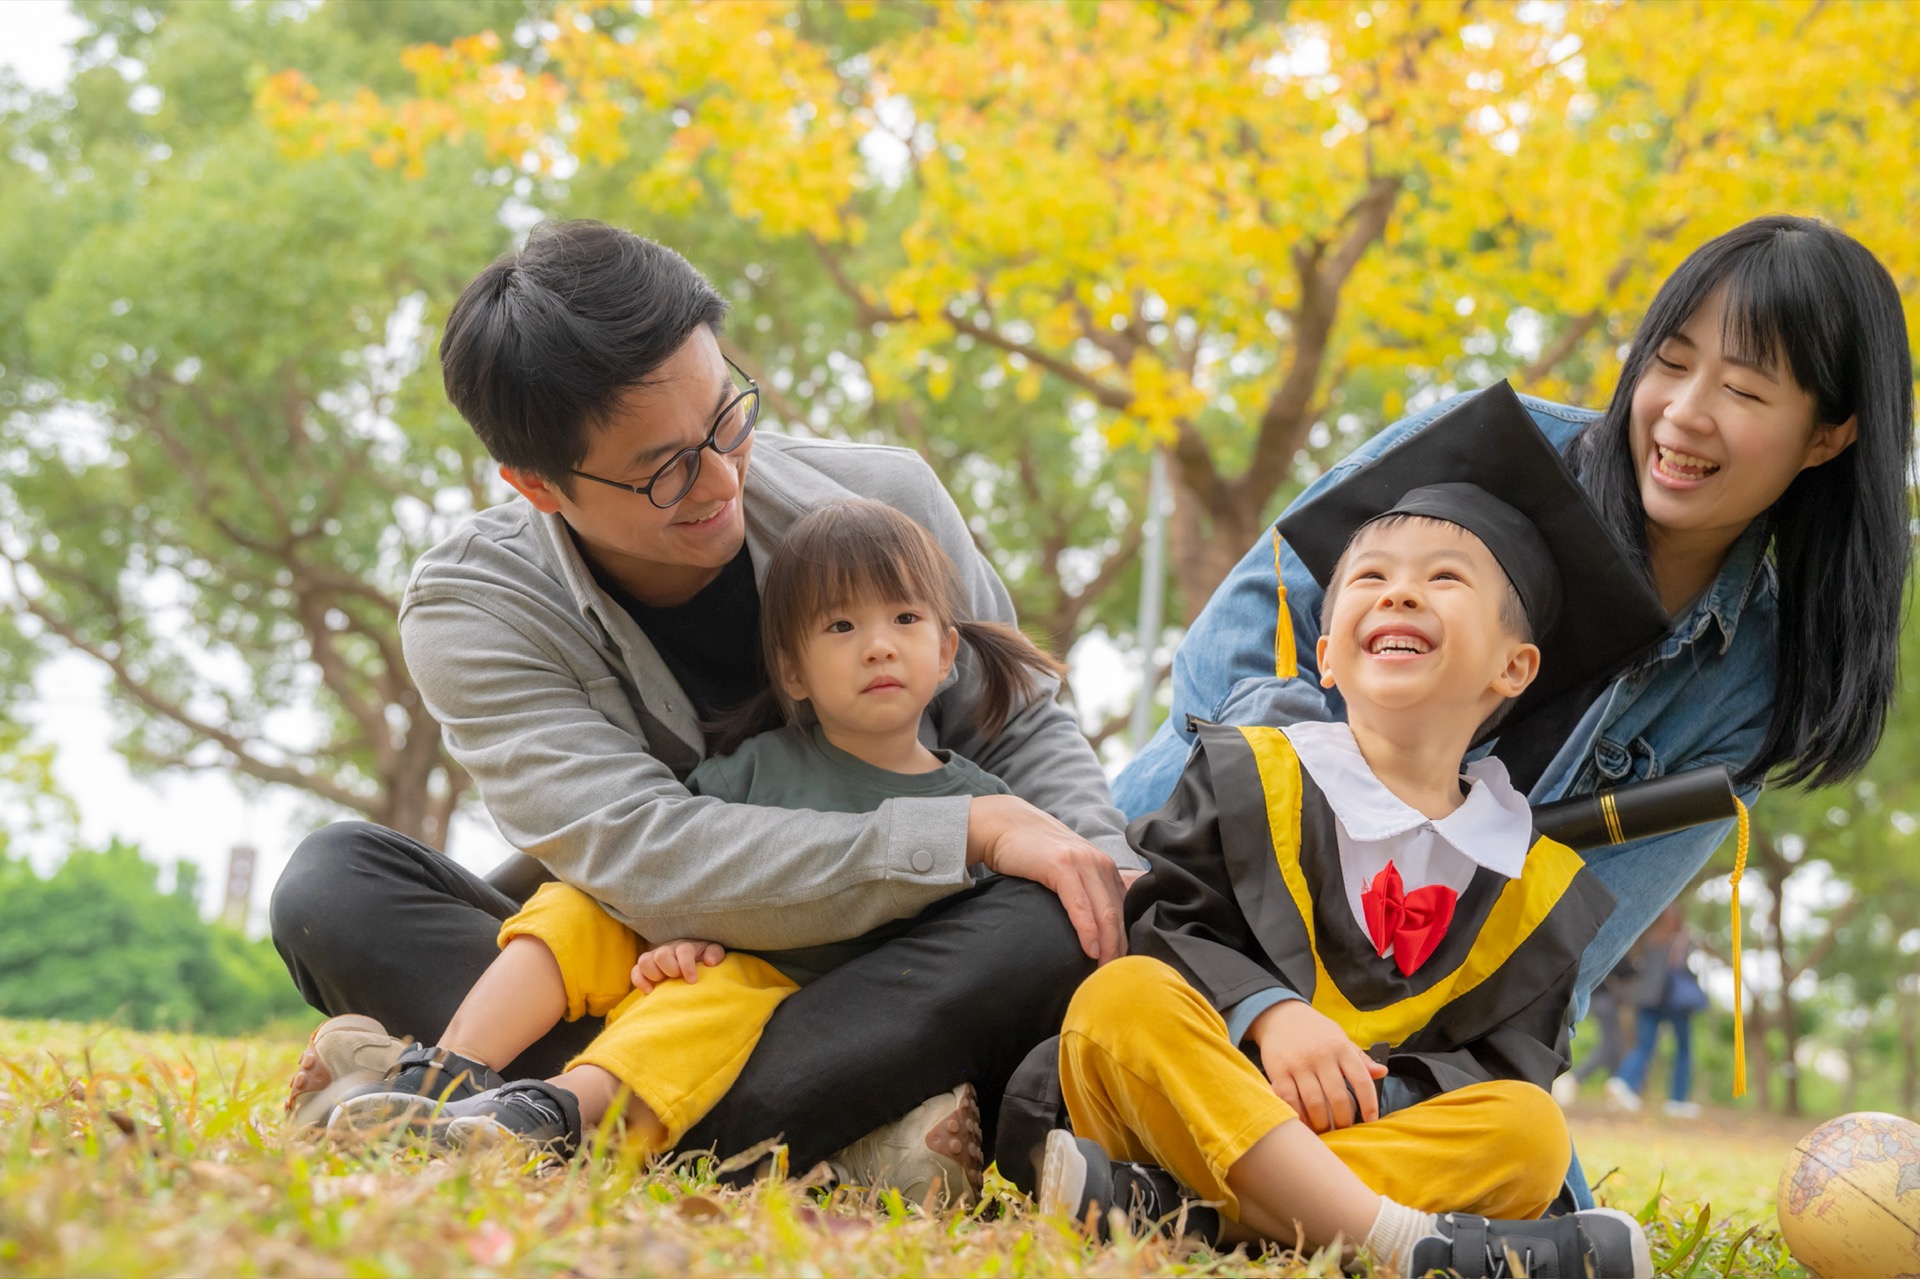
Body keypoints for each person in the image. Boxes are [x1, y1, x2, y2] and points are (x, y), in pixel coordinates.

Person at [270, 222, 1140, 1189]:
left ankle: (542, 1110)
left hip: (901, 960)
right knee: (332, 887)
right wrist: (956, 830)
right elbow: (649, 856)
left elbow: (1019, 722)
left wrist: (1108, 875)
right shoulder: (474, 609)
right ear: (535, 483)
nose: (723, 480)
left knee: (1054, 916)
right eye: (664, 469)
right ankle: (833, 1120)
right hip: (661, 957)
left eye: (729, 418)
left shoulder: (884, 499)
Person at [1116, 214, 1911, 1068]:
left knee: (1517, 1147)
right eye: (1670, 364)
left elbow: (1561, 957)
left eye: (1744, 392)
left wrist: (1413, 1070)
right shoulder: (1487, 452)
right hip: (1180, 889)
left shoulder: (1753, 681)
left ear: (1829, 435)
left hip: (1400, 1013)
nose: (1684, 414)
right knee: (1077, 986)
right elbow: (1226, 657)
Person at [1039, 388, 1653, 1277]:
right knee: (1121, 1000)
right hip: (1207, 1086)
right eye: (1369, 577)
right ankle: (1403, 1241)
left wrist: (1362, 1092)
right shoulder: (1253, 775)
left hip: (1351, 1123)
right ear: (1326, 653)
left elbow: (1496, 1067)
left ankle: (1179, 1213)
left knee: (1528, 1130)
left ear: (1514, 668)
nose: (1400, 589)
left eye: (1445, 577)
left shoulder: (1533, 883)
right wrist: (1271, 1016)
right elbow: (1166, 930)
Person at [324, 500, 1060, 1202]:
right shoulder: (754, 768)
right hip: (703, 948)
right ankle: (446, 1073)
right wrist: (671, 933)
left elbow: (954, 958)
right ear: (793, 670)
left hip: (795, 1000)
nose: (878, 644)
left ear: (946, 651)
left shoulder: (980, 805)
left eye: (905, 618)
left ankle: (546, 1118)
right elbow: (676, 875)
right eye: (840, 625)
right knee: (583, 904)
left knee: (706, 999)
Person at [1608, 905, 1706, 1118]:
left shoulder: (1649, 938)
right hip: (1675, 1002)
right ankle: (1677, 1100)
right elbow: (1685, 968)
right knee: (1683, 1050)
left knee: (1643, 1046)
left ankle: (1622, 1082)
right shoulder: (1682, 939)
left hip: (1648, 1000)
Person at [1554, 954, 1636, 1105]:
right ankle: (1574, 1079)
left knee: (1614, 1046)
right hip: (1603, 1000)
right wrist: (1638, 967)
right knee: (1609, 1046)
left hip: (1597, 999)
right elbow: (1622, 967)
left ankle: (1615, 1086)